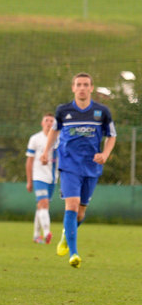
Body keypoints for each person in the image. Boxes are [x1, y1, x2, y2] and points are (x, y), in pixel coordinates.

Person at [40, 72, 116, 268]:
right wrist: (46, 152)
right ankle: (74, 254)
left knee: (80, 213)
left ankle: (66, 236)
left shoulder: (102, 112)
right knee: (71, 206)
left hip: (91, 166)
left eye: (85, 84)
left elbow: (111, 136)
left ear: (91, 88)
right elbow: (54, 131)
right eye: (78, 84)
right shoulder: (63, 110)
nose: (82, 88)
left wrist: (105, 155)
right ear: (73, 88)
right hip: (68, 165)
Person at [25, 113, 57, 244]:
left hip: (53, 177)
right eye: (46, 120)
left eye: (51, 121)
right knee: (44, 203)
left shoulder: (59, 138)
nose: (49, 123)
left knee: (41, 206)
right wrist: (29, 180)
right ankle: (47, 232)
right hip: (38, 176)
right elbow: (29, 161)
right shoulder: (35, 139)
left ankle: (36, 235)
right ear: (42, 123)